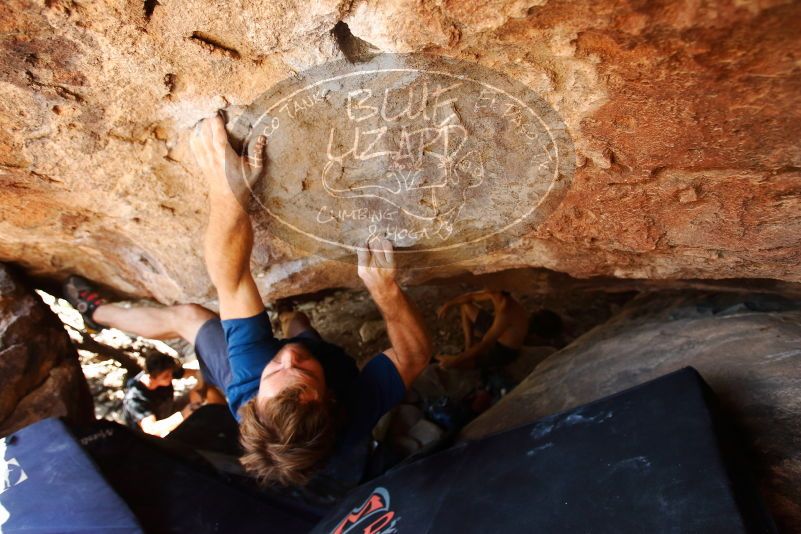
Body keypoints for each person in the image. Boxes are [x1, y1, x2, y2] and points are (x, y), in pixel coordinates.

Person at [64, 112, 432, 490]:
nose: (287, 359)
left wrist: (225, 190)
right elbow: (414, 356)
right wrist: (387, 293)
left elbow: (232, 279)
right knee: (303, 332)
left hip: (265, 393)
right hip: (324, 422)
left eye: (278, 372)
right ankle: (292, 316)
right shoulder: (352, 410)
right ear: (332, 399)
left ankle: (96, 313)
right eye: (303, 373)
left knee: (190, 316)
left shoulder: (251, 378)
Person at [435, 290, 529, 370]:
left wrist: (454, 361)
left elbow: (485, 344)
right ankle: (468, 347)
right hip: (497, 329)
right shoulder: (495, 294)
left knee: (454, 365)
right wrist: (448, 304)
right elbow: (470, 297)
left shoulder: (506, 310)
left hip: (504, 350)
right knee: (466, 306)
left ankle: (465, 358)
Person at [121, 351, 201, 437]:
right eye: (166, 376)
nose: (171, 377)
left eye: (171, 373)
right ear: (151, 377)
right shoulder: (135, 399)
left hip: (169, 410)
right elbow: (151, 429)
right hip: (154, 435)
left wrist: (203, 379)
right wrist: (184, 414)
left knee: (200, 393)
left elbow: (196, 373)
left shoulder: (165, 371)